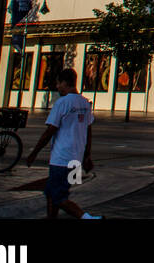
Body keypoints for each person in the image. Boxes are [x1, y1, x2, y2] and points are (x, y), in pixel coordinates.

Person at [25, 67, 99, 219]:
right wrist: (87, 155)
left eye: (58, 83)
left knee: (59, 197)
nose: (57, 87)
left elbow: (50, 131)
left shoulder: (62, 103)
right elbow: (88, 131)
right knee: (53, 192)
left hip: (61, 159)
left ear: (65, 83)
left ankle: (87, 218)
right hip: (76, 159)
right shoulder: (85, 104)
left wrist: (34, 153)